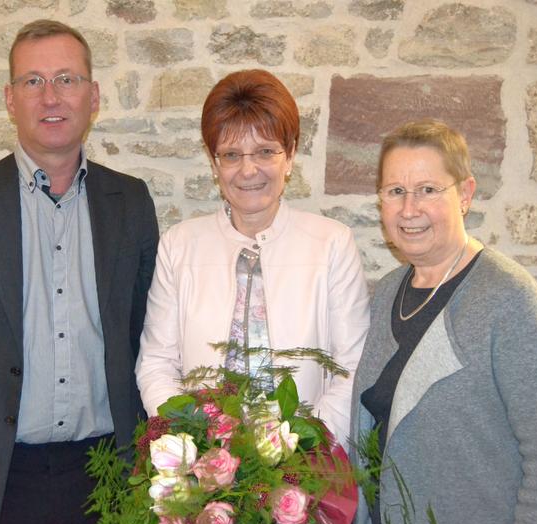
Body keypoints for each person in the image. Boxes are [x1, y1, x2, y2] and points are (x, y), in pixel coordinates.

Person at [0, 19, 159, 524]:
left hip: (109, 478)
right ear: (9, 99)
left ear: (94, 96)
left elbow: (149, 341)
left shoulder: (130, 202)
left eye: (67, 78)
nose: (50, 97)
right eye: (32, 81)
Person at [350, 119, 537, 524]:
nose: (409, 209)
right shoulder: (388, 292)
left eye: (428, 190)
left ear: (465, 195)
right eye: (396, 191)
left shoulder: (511, 302)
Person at [135, 69, 370, 445]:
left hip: (309, 469)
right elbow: (157, 363)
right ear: (214, 164)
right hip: (204, 475)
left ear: (290, 155)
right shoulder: (179, 246)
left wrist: (302, 450)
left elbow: (352, 366)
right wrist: (195, 446)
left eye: (265, 151)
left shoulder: (332, 244)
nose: (248, 170)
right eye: (231, 155)